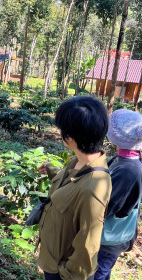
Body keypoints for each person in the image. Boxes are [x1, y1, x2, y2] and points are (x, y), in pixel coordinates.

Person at [37, 96, 112, 280]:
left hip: (61, 272)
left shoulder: (94, 187)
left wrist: (65, 274)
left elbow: (88, 243)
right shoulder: (80, 162)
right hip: (51, 258)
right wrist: (51, 170)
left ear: (70, 137)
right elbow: (70, 187)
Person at [92, 109, 142, 280]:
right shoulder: (123, 161)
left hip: (109, 240)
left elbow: (108, 207)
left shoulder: (128, 171)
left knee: (98, 273)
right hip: (108, 237)